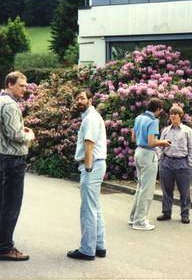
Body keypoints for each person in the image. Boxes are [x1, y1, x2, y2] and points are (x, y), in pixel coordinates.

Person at [0, 71, 35, 261]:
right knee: (11, 205)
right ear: (10, 84)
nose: (25, 89)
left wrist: (18, 129)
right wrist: (30, 135)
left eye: (25, 86)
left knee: (2, 203)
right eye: (21, 86)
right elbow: (15, 136)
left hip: (0, 157)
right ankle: (6, 248)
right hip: (12, 160)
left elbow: (0, 129)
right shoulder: (10, 105)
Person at [67, 89, 107, 260]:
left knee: (87, 209)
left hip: (92, 166)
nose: (79, 101)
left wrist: (88, 168)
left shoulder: (90, 119)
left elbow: (89, 145)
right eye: (77, 99)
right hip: (97, 165)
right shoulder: (92, 117)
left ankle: (87, 250)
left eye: (82, 98)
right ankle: (99, 246)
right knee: (95, 207)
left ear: (91, 100)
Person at [129, 98, 171, 231]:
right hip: (148, 154)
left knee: (140, 187)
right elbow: (152, 142)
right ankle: (140, 222)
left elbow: (133, 138)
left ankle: (133, 218)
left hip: (138, 152)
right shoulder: (153, 121)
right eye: (160, 110)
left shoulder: (138, 118)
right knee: (147, 190)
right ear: (158, 109)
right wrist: (163, 142)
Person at [156, 105, 192, 224]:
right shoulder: (165, 130)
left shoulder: (188, 131)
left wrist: (189, 163)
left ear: (180, 116)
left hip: (183, 163)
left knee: (184, 191)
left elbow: (191, 148)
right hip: (166, 162)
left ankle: (185, 214)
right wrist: (161, 159)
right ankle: (166, 213)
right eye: (171, 113)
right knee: (166, 190)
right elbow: (159, 146)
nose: (172, 116)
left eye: (175, 113)